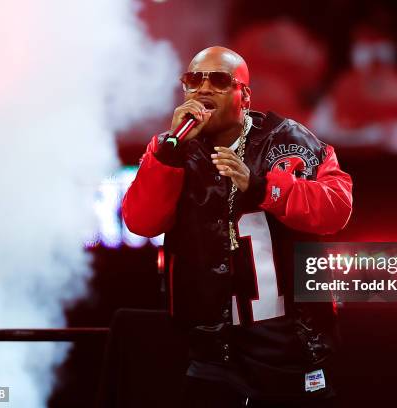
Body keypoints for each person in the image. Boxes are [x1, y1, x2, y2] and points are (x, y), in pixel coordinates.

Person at [122, 46, 353, 407]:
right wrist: (165, 157)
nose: (202, 89)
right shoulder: (173, 149)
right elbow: (141, 222)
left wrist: (261, 186)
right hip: (211, 347)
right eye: (193, 80)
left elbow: (335, 209)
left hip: (287, 340)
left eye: (218, 80)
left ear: (243, 95)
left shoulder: (288, 140)